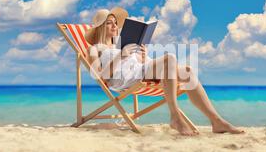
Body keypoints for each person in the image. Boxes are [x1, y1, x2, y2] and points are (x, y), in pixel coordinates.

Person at [85, 7, 244, 136]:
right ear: (100, 27)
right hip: (124, 79)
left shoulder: (122, 45)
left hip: (139, 71)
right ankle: (175, 116)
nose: (114, 26)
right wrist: (121, 55)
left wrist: (142, 55)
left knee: (187, 72)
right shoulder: (94, 49)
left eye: (115, 23)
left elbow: (136, 64)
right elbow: (100, 76)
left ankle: (216, 121)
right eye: (109, 23)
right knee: (170, 59)